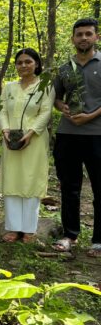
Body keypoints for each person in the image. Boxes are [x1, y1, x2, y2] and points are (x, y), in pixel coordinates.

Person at [53, 18, 101, 257]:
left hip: (97, 134)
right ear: (72, 39)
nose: (83, 38)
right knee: (69, 187)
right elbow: (56, 98)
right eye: (79, 34)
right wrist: (63, 108)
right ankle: (69, 234)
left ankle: (99, 241)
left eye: (88, 34)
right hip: (68, 134)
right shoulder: (64, 69)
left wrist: (91, 115)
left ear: (96, 37)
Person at [0, 48, 53, 243]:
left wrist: (30, 133)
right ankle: (13, 228)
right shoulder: (9, 87)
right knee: (12, 179)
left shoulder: (45, 86)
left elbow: (45, 112)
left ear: (36, 64)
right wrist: (5, 131)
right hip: (10, 139)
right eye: (19, 62)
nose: (23, 66)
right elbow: (3, 110)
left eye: (28, 62)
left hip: (35, 140)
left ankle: (29, 229)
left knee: (31, 179)